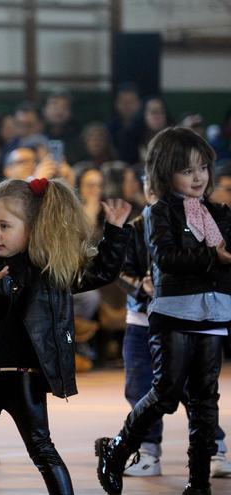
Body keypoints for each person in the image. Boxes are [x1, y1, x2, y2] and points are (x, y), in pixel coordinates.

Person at [0, 176, 132, 495]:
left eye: (5, 225)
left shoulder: (51, 267)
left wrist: (115, 231)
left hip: (24, 379)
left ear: (32, 226)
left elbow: (102, 272)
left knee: (42, 450)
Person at [95, 127, 231, 495]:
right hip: (172, 311)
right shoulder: (158, 212)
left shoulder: (219, 212)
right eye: (187, 170)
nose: (198, 176)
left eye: (202, 167)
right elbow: (167, 259)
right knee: (166, 392)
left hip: (215, 314)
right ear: (164, 172)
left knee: (205, 401)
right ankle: (118, 449)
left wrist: (214, 261)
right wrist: (213, 257)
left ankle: (198, 484)